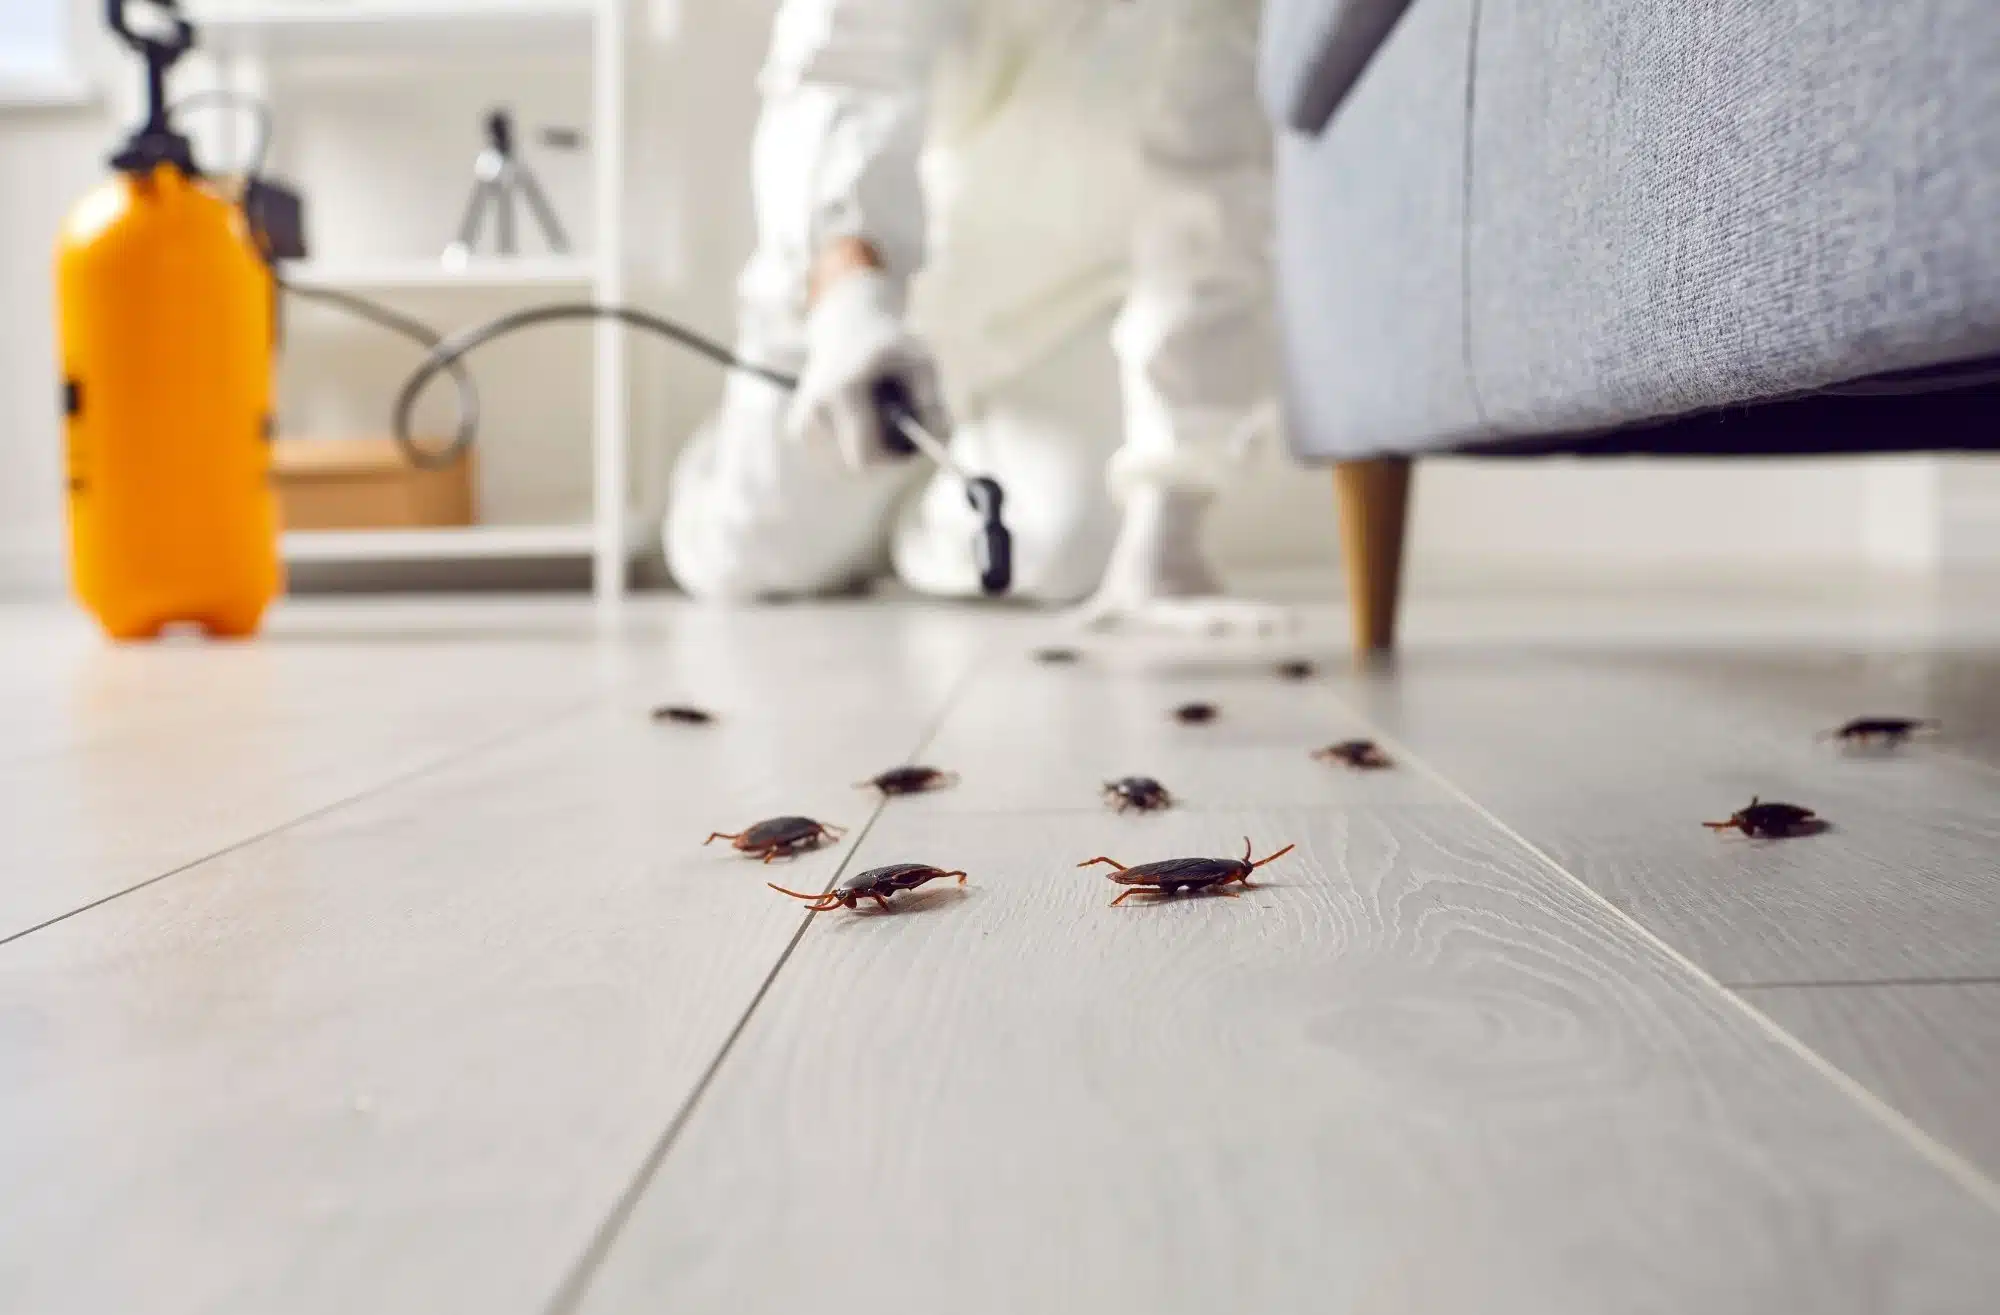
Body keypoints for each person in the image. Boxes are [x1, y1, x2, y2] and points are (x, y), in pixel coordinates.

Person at [665, 0, 1287, 633]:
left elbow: (1208, 211)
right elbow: (847, 69)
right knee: (753, 555)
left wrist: (1171, 516)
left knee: (1065, 551)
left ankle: (903, 523)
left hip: (1053, 315)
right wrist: (851, 300)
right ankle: (804, 490)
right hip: (862, 294)